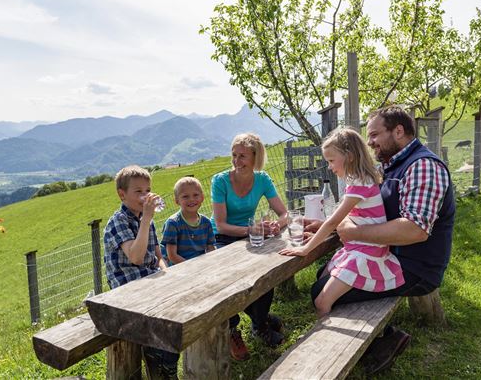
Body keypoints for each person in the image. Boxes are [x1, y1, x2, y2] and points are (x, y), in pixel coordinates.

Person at [306, 106, 455, 374]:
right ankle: (379, 336)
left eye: (374, 134)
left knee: (322, 293)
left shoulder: (423, 167)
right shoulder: (392, 165)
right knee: (323, 275)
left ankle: (384, 340)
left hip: (415, 267)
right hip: (388, 255)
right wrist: (332, 227)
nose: (369, 141)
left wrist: (352, 233)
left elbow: (414, 230)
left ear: (398, 131)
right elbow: (365, 212)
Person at [279, 127, 405, 317]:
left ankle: (323, 339)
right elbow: (350, 217)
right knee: (322, 277)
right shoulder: (359, 179)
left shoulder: (359, 183)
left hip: (366, 254)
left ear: (350, 156)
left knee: (322, 301)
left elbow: (332, 222)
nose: (329, 166)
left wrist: (305, 250)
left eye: (331, 160)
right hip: (359, 248)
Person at [211, 133, 288, 361]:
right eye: (234, 155)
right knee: (229, 282)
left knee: (268, 272)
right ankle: (236, 328)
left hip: (252, 237)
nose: (236, 161)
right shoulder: (220, 181)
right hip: (225, 240)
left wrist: (276, 224)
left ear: (256, 157)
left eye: (242, 156)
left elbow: (284, 213)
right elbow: (221, 225)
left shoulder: (262, 179)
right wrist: (251, 229)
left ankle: (258, 324)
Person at [103, 165, 179, 379]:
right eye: (138, 192)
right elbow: (135, 257)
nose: (146, 196)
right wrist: (146, 218)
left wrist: (167, 276)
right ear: (122, 194)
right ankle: (160, 365)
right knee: (165, 322)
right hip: (128, 292)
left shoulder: (146, 220)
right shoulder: (118, 222)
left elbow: (159, 257)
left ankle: (166, 365)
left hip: (150, 284)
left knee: (182, 308)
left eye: (148, 190)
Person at [162, 177, 216, 264]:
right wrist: (192, 267)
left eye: (195, 195)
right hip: (180, 268)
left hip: (201, 264)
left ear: (202, 197)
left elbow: (210, 248)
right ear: (176, 201)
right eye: (185, 196)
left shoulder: (206, 222)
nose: (191, 199)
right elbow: (172, 256)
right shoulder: (173, 223)